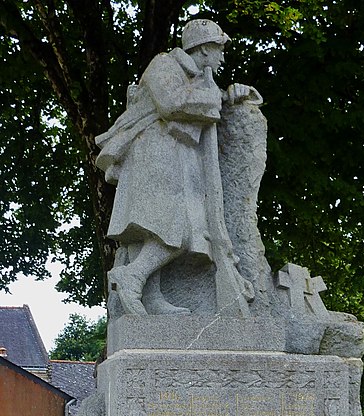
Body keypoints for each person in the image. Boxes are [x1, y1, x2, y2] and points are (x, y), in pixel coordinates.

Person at [96, 19, 254, 316]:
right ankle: (133, 276)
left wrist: (228, 95)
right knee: (173, 226)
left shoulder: (198, 77)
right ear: (204, 49)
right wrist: (214, 99)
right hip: (153, 153)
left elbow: (202, 102)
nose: (222, 58)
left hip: (175, 156)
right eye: (219, 50)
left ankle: (150, 296)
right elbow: (172, 103)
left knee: (175, 227)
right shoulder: (164, 66)